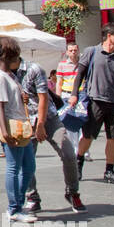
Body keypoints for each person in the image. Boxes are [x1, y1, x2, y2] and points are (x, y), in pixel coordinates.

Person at [19, 52, 85, 213]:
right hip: (25, 119)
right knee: (25, 159)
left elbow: (43, 97)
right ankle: (32, 196)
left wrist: (40, 124)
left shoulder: (33, 69)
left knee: (68, 153)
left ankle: (72, 192)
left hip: (48, 117)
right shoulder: (3, 74)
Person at [71, 23, 114, 184]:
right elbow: (80, 75)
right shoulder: (92, 52)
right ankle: (78, 163)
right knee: (88, 136)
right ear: (109, 35)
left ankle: (109, 171)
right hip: (94, 101)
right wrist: (74, 94)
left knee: (113, 137)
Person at [0, 37, 38, 223]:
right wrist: (4, 131)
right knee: (14, 167)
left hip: (19, 124)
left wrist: (23, 97)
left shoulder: (9, 75)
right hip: (12, 126)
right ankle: (14, 208)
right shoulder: (0, 77)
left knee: (28, 166)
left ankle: (17, 204)